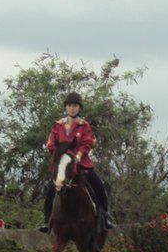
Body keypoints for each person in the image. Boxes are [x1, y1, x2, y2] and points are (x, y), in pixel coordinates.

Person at [39, 91, 115, 233]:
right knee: (50, 189)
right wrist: (61, 156)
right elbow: (50, 143)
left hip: (82, 164)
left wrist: (78, 155)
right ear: (66, 107)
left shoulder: (84, 125)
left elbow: (87, 142)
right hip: (63, 166)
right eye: (69, 105)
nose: (72, 108)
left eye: (74, 106)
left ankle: (105, 216)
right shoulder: (58, 125)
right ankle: (46, 220)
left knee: (100, 186)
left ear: (79, 108)